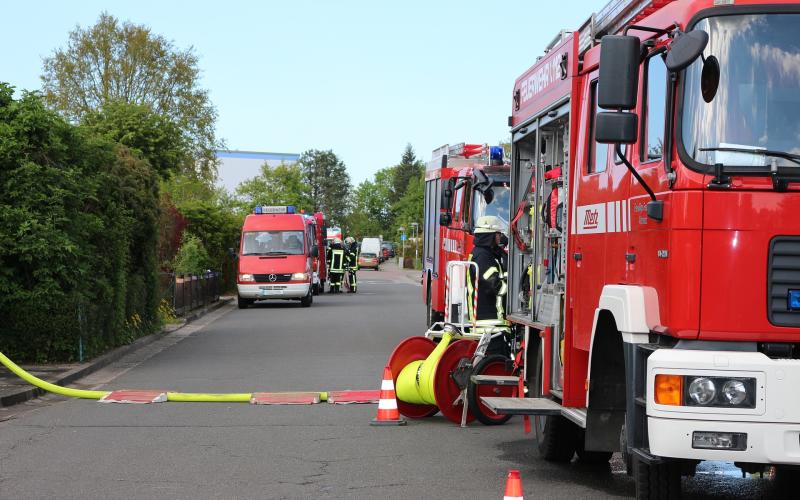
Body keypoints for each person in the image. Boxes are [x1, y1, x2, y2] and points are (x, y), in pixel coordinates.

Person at [466, 216, 509, 349]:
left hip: (491, 325)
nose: (500, 238)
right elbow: (495, 286)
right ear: (489, 235)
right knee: (495, 365)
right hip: (488, 326)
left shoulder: (486, 254)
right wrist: (517, 291)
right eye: (498, 234)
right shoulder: (483, 257)